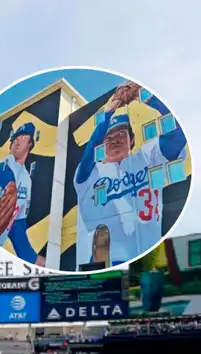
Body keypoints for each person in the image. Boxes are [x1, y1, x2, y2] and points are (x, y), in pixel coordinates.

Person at [74, 81, 187, 268]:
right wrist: (109, 112)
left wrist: (147, 97)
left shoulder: (147, 157)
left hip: (148, 256)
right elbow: (89, 151)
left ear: (132, 140)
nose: (115, 140)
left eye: (121, 134)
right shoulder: (89, 175)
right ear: (102, 144)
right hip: (103, 263)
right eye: (109, 138)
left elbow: (178, 136)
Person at [0, 122, 45, 266]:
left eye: (23, 137)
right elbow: (9, 187)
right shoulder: (5, 165)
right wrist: (11, 191)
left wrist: (36, 261)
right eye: (15, 139)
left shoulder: (27, 180)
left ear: (30, 144)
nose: (17, 141)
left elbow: (17, 226)